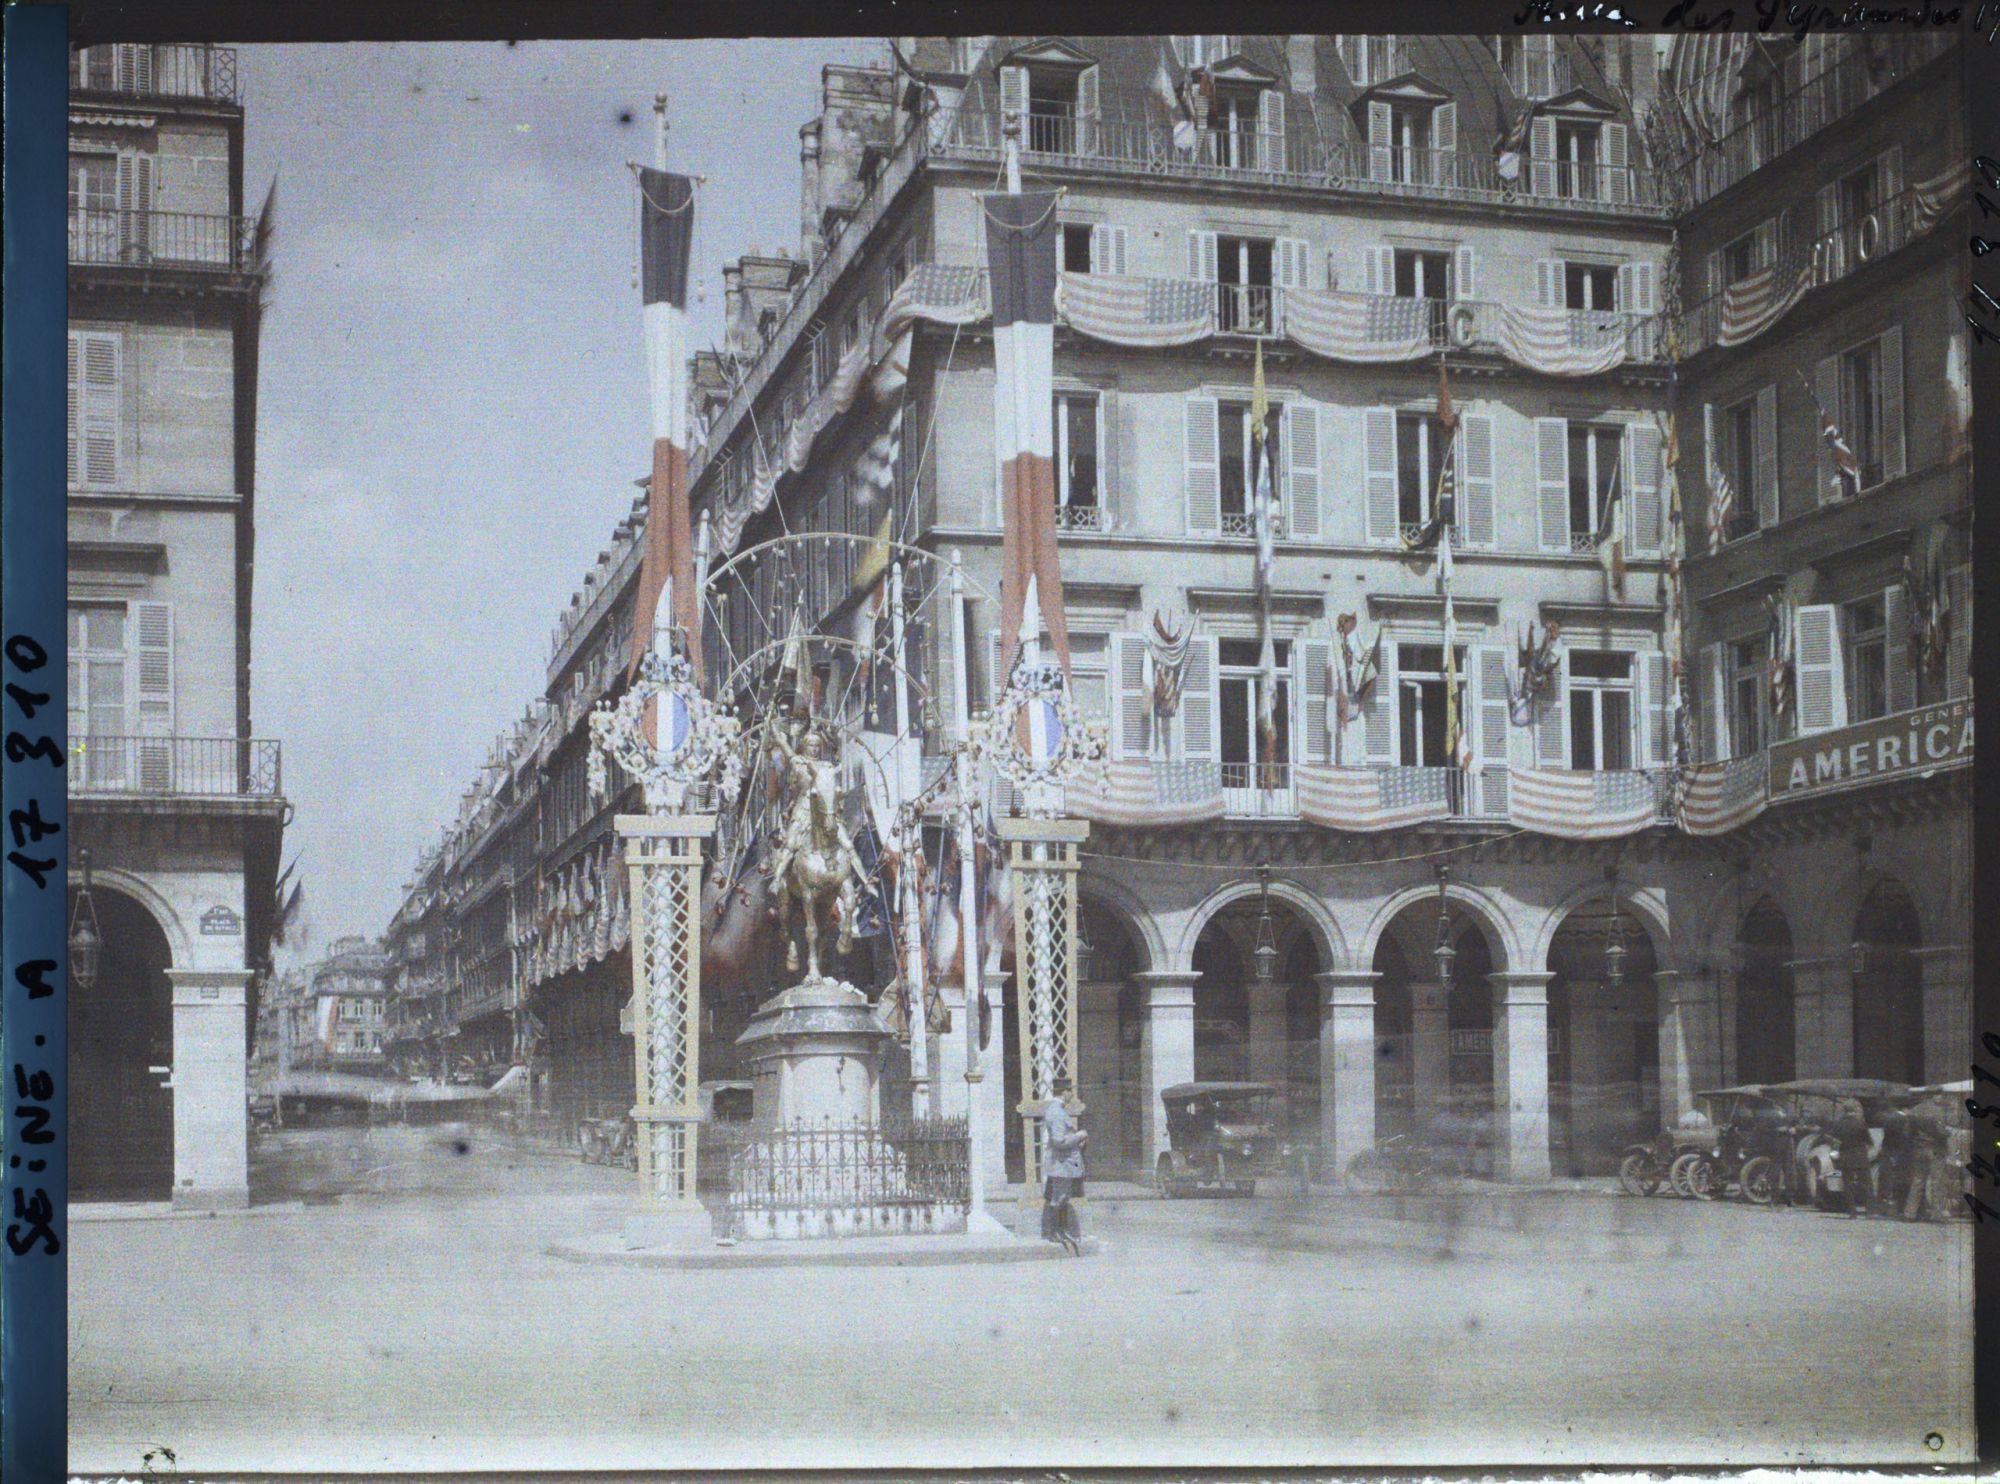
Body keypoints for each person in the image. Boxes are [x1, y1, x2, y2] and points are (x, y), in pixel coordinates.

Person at [1041, 1077, 1087, 1255]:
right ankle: (1056, 1232)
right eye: (1070, 1091)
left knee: (1063, 1197)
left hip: (1064, 1163)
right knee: (1059, 1198)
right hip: (1061, 1164)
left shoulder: (1057, 1110)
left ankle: (1061, 1231)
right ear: (1064, 1092)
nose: (1071, 1095)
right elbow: (1059, 1141)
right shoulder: (1057, 1112)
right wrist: (1080, 1135)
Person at [1830, 1097, 1873, 1217]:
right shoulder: (1861, 1124)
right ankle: (1869, 1210)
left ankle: (1851, 1210)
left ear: (1844, 1110)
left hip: (1845, 1155)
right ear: (1855, 1109)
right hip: (1860, 1156)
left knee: (1848, 1184)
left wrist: (1835, 1154)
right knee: (1865, 1183)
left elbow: (1834, 1141)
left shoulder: (1838, 1124)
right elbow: (1869, 1141)